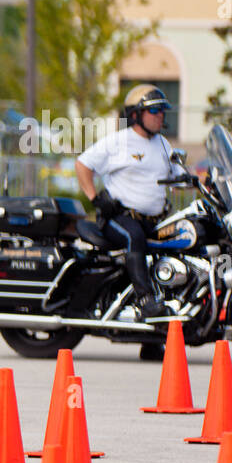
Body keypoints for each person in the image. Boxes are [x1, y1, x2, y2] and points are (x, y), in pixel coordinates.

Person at [76, 83, 184, 328]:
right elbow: (82, 165)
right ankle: (145, 301)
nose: (160, 116)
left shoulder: (164, 145)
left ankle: (164, 316)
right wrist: (95, 198)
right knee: (134, 237)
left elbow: (179, 175)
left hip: (153, 219)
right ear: (135, 114)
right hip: (119, 218)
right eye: (154, 111)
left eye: (162, 111)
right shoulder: (119, 141)